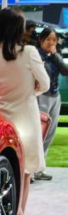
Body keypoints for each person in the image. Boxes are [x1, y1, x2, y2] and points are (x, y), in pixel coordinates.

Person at [0, 8, 50, 215]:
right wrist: (32, 89)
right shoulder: (28, 52)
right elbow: (45, 83)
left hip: (2, 116)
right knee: (25, 171)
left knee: (6, 169)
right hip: (26, 116)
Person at [34, 27, 68, 181]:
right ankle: (32, 169)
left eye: (54, 39)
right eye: (48, 39)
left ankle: (40, 169)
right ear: (41, 40)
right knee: (39, 133)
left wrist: (55, 55)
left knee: (50, 133)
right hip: (41, 96)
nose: (51, 42)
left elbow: (66, 71)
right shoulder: (36, 55)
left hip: (55, 96)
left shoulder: (54, 56)